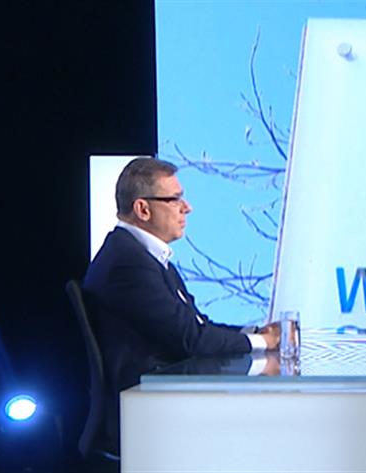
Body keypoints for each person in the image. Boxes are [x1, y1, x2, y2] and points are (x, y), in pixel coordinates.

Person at [83, 157, 280, 451]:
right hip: (149, 418)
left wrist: (255, 332)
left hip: (163, 405)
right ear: (143, 209)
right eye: (174, 199)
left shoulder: (143, 256)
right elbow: (191, 339)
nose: (187, 207)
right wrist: (262, 342)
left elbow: (196, 324)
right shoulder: (128, 264)